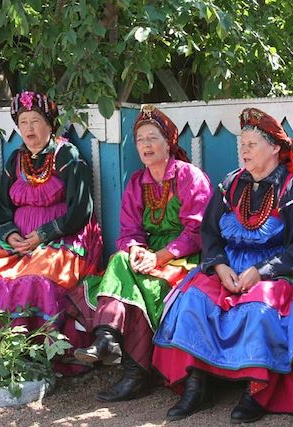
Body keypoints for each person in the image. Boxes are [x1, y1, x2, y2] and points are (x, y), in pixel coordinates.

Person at [152, 107, 293, 423]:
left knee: (259, 310)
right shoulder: (230, 184)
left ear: (275, 148)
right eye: (241, 144)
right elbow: (209, 232)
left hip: (277, 272)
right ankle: (197, 385)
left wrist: (261, 271)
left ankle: (256, 392)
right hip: (228, 268)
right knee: (192, 300)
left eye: (251, 144)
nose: (243, 151)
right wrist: (218, 266)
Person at [68, 104, 212, 401]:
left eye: (152, 138)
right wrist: (135, 250)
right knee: (121, 259)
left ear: (169, 141)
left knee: (135, 286)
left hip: (183, 258)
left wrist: (158, 256)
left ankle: (132, 369)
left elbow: (197, 233)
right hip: (148, 257)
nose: (145, 145)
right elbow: (129, 232)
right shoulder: (136, 182)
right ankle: (108, 339)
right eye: (140, 140)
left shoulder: (190, 177)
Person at [0, 91, 102, 370]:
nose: (29, 128)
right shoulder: (15, 160)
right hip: (18, 241)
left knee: (36, 280)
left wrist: (43, 234)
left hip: (62, 238)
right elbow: (2, 210)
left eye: (35, 121)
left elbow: (80, 210)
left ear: (50, 124)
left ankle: (36, 357)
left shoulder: (66, 155)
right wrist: (10, 234)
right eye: (23, 122)